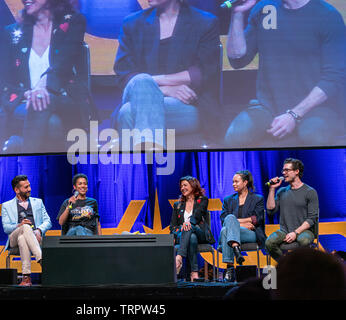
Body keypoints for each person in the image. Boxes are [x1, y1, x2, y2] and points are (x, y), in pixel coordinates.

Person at [224, 0, 345, 148]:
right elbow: (238, 58)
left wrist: (293, 115)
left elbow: (334, 78)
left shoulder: (327, 16)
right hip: (268, 105)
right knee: (236, 136)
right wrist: (237, 14)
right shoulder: (265, 9)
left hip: (314, 107)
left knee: (313, 135)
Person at [113, 0, 220, 150]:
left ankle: (136, 167)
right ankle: (154, 156)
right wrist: (164, 89)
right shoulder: (132, 23)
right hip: (143, 96)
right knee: (141, 81)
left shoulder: (204, 22)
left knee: (127, 113)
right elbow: (124, 74)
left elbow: (202, 72)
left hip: (186, 104)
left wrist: (151, 83)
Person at [0, 0, 96, 154]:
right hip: (26, 101)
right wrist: (27, 93)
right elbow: (3, 80)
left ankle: (25, 161)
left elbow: (64, 63)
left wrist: (43, 86)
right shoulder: (13, 33)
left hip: (65, 99)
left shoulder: (73, 22)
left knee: (42, 100)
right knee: (52, 122)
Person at [1, 175, 52, 286]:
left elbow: (48, 221)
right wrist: (19, 225)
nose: (29, 189)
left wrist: (39, 230)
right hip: (13, 237)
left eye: (29, 186)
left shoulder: (38, 202)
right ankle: (41, 258)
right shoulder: (6, 205)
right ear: (16, 190)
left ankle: (26, 278)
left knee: (22, 239)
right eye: (26, 187)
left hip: (34, 236)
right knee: (24, 227)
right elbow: (6, 228)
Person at [265, 158, 319, 261]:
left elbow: (312, 219)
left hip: (305, 231)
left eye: (287, 170)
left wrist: (295, 233)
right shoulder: (282, 191)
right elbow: (270, 210)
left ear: (296, 171)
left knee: (303, 240)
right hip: (284, 231)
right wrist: (272, 189)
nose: (284, 173)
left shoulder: (310, 191)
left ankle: (303, 268)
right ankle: (286, 265)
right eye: (283, 170)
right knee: (269, 242)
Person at [219, 170, 266, 281]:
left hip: (251, 234)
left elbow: (257, 219)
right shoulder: (228, 200)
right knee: (227, 225)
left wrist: (236, 223)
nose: (233, 184)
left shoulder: (257, 199)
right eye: (232, 182)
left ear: (245, 183)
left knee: (227, 228)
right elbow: (224, 219)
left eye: (236, 181)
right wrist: (244, 223)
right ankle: (235, 247)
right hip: (235, 231)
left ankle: (229, 267)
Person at [170, 176, 213, 281]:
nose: (182, 188)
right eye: (181, 186)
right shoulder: (178, 205)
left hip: (200, 233)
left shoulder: (202, 200)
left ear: (193, 186)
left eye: (185, 185)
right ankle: (194, 273)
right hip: (184, 235)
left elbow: (197, 216)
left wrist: (188, 223)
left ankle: (179, 257)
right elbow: (173, 227)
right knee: (192, 238)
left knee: (190, 228)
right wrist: (182, 227)